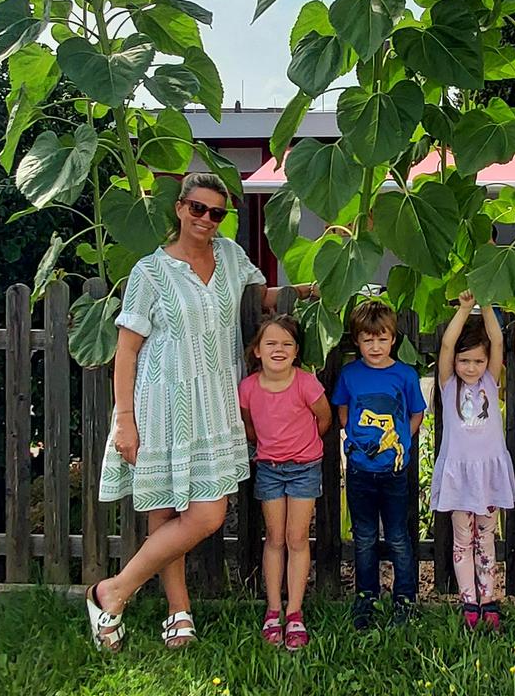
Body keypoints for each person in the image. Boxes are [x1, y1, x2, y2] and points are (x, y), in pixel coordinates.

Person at [88, 173, 276, 652]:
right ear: (179, 208)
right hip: (162, 403)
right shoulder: (150, 272)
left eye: (217, 213)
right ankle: (178, 611)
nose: (207, 220)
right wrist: (124, 419)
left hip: (213, 400)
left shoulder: (232, 257)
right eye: (198, 208)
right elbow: (127, 351)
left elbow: (262, 298)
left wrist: (321, 285)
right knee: (166, 508)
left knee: (207, 513)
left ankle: (113, 591)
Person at [239, 314, 332, 650]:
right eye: (271, 343)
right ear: (258, 351)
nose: (279, 349)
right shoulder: (248, 388)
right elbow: (249, 426)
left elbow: (324, 418)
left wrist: (303, 447)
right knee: (274, 538)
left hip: (304, 468)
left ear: (296, 352)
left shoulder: (306, 383)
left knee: (297, 538)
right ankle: (273, 609)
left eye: (287, 344)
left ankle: (294, 612)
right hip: (269, 468)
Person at [332, 299, 426, 630]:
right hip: (360, 471)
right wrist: (356, 441)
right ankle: (366, 597)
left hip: (395, 472)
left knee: (399, 537)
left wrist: (402, 437)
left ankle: (405, 596)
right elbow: (343, 412)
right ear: (357, 340)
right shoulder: (350, 374)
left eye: (382, 338)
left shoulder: (405, 375)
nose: (375, 346)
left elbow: (416, 413)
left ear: (393, 339)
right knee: (366, 537)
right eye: (368, 339)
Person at [430, 291, 515, 631]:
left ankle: (489, 597)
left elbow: (496, 341)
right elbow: (448, 345)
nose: (471, 367)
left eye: (477, 362)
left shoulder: (490, 382)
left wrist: (487, 303)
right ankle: (468, 600)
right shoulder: (448, 383)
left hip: (488, 475)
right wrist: (465, 309)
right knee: (462, 540)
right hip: (459, 476)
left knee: (486, 538)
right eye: (465, 361)